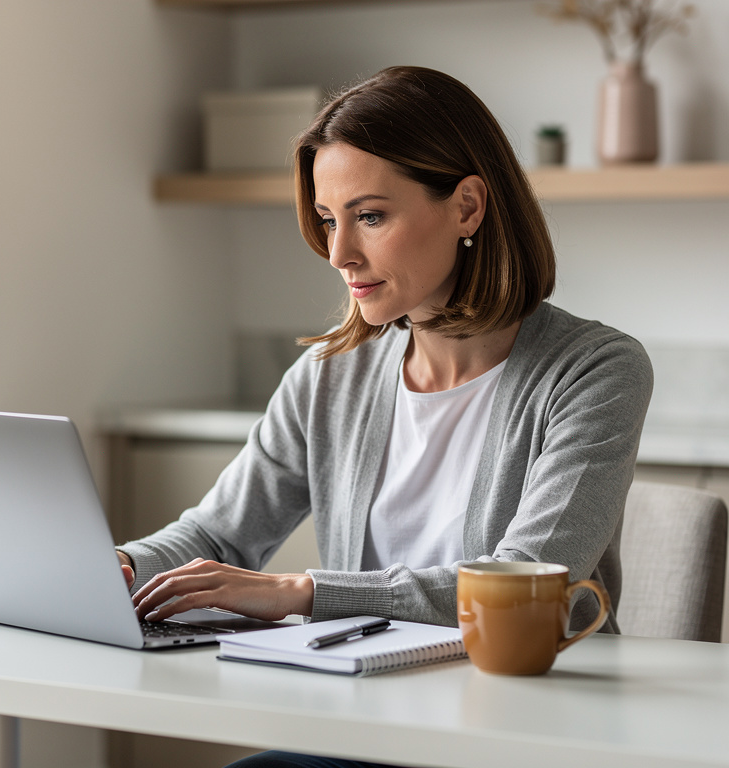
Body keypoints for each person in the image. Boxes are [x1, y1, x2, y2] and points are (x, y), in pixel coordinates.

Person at [116, 66, 652, 768]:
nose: (339, 254)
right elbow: (218, 534)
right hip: (368, 729)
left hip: (529, 737)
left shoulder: (594, 370)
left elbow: (524, 579)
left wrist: (298, 593)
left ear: (468, 207)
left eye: (370, 216)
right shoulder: (328, 377)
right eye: (330, 220)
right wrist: (117, 569)